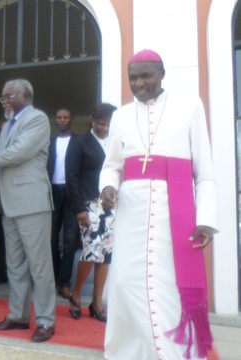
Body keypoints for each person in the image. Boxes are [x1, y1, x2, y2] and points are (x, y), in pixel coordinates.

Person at [100, 49, 217, 359]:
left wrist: (206, 218)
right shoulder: (121, 116)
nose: (139, 83)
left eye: (146, 75)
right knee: (125, 284)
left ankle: (172, 353)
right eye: (133, 78)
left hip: (172, 215)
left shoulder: (189, 106)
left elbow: (204, 171)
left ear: (162, 73)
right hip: (131, 213)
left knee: (167, 286)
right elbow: (111, 165)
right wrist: (109, 186)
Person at [0, 79, 56, 343]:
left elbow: (17, 154)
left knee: (39, 265)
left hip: (32, 202)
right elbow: (8, 157)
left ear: (25, 95)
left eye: (9, 95)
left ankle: (45, 320)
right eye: (2, 97)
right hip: (8, 203)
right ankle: (18, 315)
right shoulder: (8, 124)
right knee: (15, 265)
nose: (4, 100)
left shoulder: (37, 119)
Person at [65, 103, 116, 323]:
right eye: (101, 123)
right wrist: (78, 208)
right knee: (91, 252)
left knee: (106, 256)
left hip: (111, 206)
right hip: (89, 204)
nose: (105, 127)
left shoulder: (116, 142)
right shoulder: (79, 142)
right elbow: (71, 176)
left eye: (108, 124)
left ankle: (96, 303)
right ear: (92, 121)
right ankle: (76, 295)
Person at [47, 108, 80, 300]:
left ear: (71, 119)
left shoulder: (79, 141)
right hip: (52, 193)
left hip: (71, 194)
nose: (62, 120)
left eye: (65, 117)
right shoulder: (49, 142)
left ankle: (65, 283)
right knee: (50, 240)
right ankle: (55, 280)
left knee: (69, 241)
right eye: (59, 117)